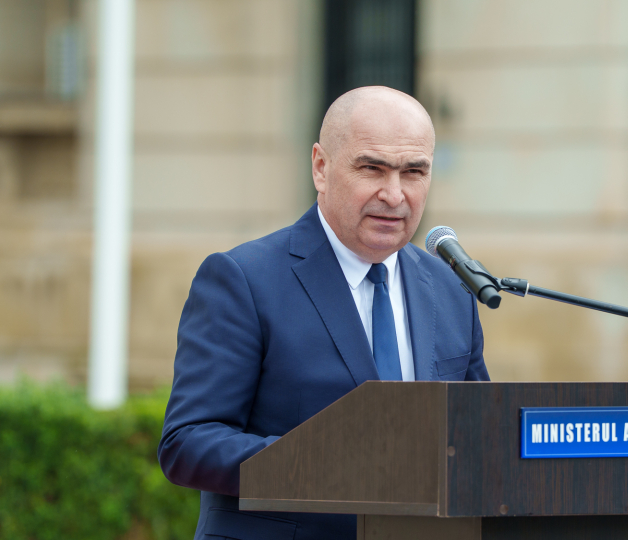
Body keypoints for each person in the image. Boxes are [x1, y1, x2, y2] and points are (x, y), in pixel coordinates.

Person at [158, 86, 490, 540]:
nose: (394, 195)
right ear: (321, 167)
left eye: (413, 172)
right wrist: (329, 464)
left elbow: (477, 437)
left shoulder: (452, 288)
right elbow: (187, 442)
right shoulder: (244, 279)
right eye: (372, 168)